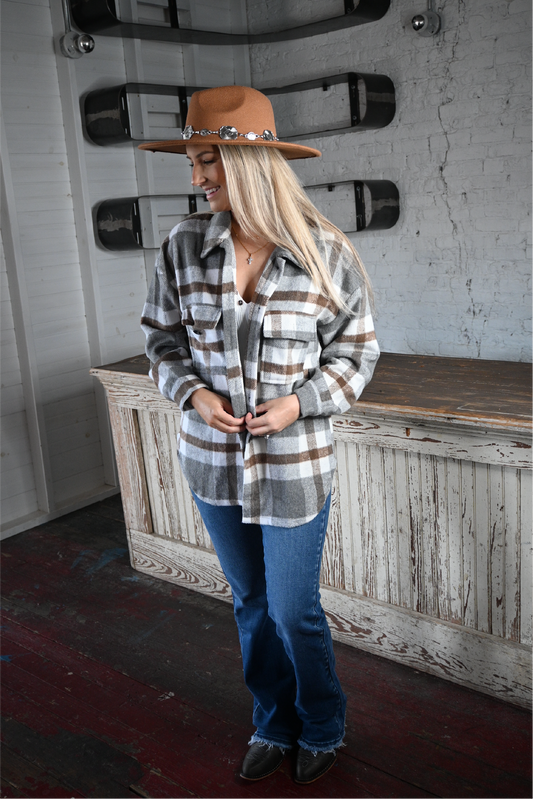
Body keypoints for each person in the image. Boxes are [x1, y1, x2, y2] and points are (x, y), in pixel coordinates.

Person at [140, 85, 379, 785]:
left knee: (292, 608)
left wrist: (299, 404)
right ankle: (272, 721)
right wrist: (193, 392)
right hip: (212, 462)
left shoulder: (322, 250)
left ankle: (324, 725)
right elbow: (160, 341)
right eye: (191, 161)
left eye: (207, 160)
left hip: (294, 464)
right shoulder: (182, 246)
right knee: (247, 602)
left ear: (249, 164)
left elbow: (355, 352)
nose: (196, 178)